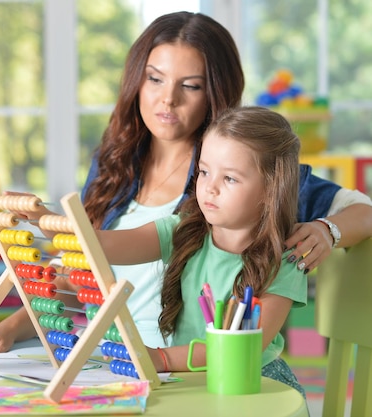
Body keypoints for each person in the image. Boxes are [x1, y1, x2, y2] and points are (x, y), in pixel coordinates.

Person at [0, 11, 372, 355]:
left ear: (215, 92)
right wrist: (10, 328)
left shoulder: (242, 172)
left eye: (190, 86)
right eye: (155, 79)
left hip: (188, 368)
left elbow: (364, 212)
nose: (167, 100)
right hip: (110, 360)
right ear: (136, 82)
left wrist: (327, 229)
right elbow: (82, 265)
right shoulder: (114, 165)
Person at [95, 106, 306, 396]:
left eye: (229, 178)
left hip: (253, 385)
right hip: (190, 381)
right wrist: (51, 227)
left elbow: (244, 348)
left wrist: (162, 358)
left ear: (272, 189)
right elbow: (105, 246)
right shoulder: (183, 231)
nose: (209, 188)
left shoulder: (285, 261)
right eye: (204, 172)